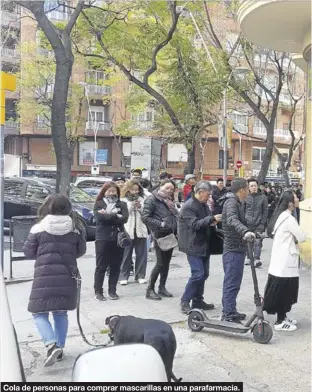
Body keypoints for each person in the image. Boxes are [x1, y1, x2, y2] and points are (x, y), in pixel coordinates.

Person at [22, 195, 86, 367]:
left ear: (47, 207)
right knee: (60, 312)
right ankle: (59, 349)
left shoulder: (38, 228)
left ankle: (51, 344)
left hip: (44, 275)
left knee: (38, 313)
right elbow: (81, 251)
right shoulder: (75, 229)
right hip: (67, 274)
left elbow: (28, 252)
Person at [263, 191, 306, 331]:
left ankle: (283, 316)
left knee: (283, 289)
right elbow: (301, 237)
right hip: (286, 260)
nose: (298, 199)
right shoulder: (289, 219)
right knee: (284, 290)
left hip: (280, 260)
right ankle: (280, 322)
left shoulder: (281, 215)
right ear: (290, 202)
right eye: (295, 198)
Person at [179, 181, 222, 313]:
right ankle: (185, 300)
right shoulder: (189, 206)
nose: (209, 197)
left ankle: (198, 301)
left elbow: (206, 220)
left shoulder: (203, 205)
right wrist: (211, 219)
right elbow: (195, 224)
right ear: (200, 192)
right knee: (198, 274)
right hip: (193, 245)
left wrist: (213, 221)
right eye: (207, 194)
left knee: (204, 274)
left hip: (204, 244)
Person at [221, 178, 256, 323]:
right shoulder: (231, 202)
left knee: (234, 282)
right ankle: (228, 313)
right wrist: (244, 232)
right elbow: (232, 220)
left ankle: (230, 310)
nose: (248, 191)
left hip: (237, 248)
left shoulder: (237, 202)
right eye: (247, 188)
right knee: (231, 282)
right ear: (242, 189)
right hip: (232, 249)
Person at [142, 180, 178, 300]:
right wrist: (161, 224)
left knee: (166, 263)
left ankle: (162, 287)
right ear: (160, 186)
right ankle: (150, 289)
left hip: (169, 234)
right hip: (159, 234)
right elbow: (145, 217)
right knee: (160, 263)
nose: (169, 191)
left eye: (172, 189)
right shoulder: (152, 199)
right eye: (167, 188)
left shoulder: (168, 201)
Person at [93, 181, 129, 301]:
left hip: (118, 238)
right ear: (104, 192)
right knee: (101, 266)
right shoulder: (99, 204)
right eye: (109, 191)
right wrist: (115, 216)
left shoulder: (122, 204)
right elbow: (100, 219)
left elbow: (124, 219)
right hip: (103, 238)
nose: (112, 193)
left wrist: (109, 215)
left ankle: (112, 290)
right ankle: (98, 291)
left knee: (116, 265)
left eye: (114, 191)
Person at [119, 180, 148, 285]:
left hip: (140, 229)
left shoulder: (143, 199)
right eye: (132, 189)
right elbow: (124, 214)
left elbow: (146, 213)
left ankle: (140, 275)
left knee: (141, 254)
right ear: (128, 189)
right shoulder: (123, 200)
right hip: (127, 230)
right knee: (126, 254)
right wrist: (131, 206)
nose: (135, 191)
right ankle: (123, 275)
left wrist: (140, 207)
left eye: (137, 189)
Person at [243, 178, 268, 267]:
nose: (254, 187)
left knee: (258, 241)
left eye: (255, 186)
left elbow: (265, 212)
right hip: (247, 223)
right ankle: (249, 258)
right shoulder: (245, 197)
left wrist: (262, 224)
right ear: (248, 188)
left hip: (259, 223)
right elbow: (242, 210)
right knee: (248, 241)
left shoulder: (263, 197)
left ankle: (257, 259)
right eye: (252, 186)